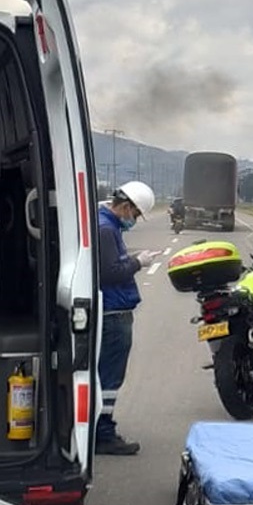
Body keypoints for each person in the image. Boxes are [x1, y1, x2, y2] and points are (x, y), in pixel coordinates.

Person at [96, 180, 158, 455]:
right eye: (135, 214)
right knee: (110, 377)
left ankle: (99, 429)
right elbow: (109, 273)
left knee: (105, 375)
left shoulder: (105, 225)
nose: (134, 220)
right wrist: (138, 263)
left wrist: (131, 259)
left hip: (110, 311)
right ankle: (103, 434)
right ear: (125, 206)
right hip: (113, 314)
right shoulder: (107, 229)